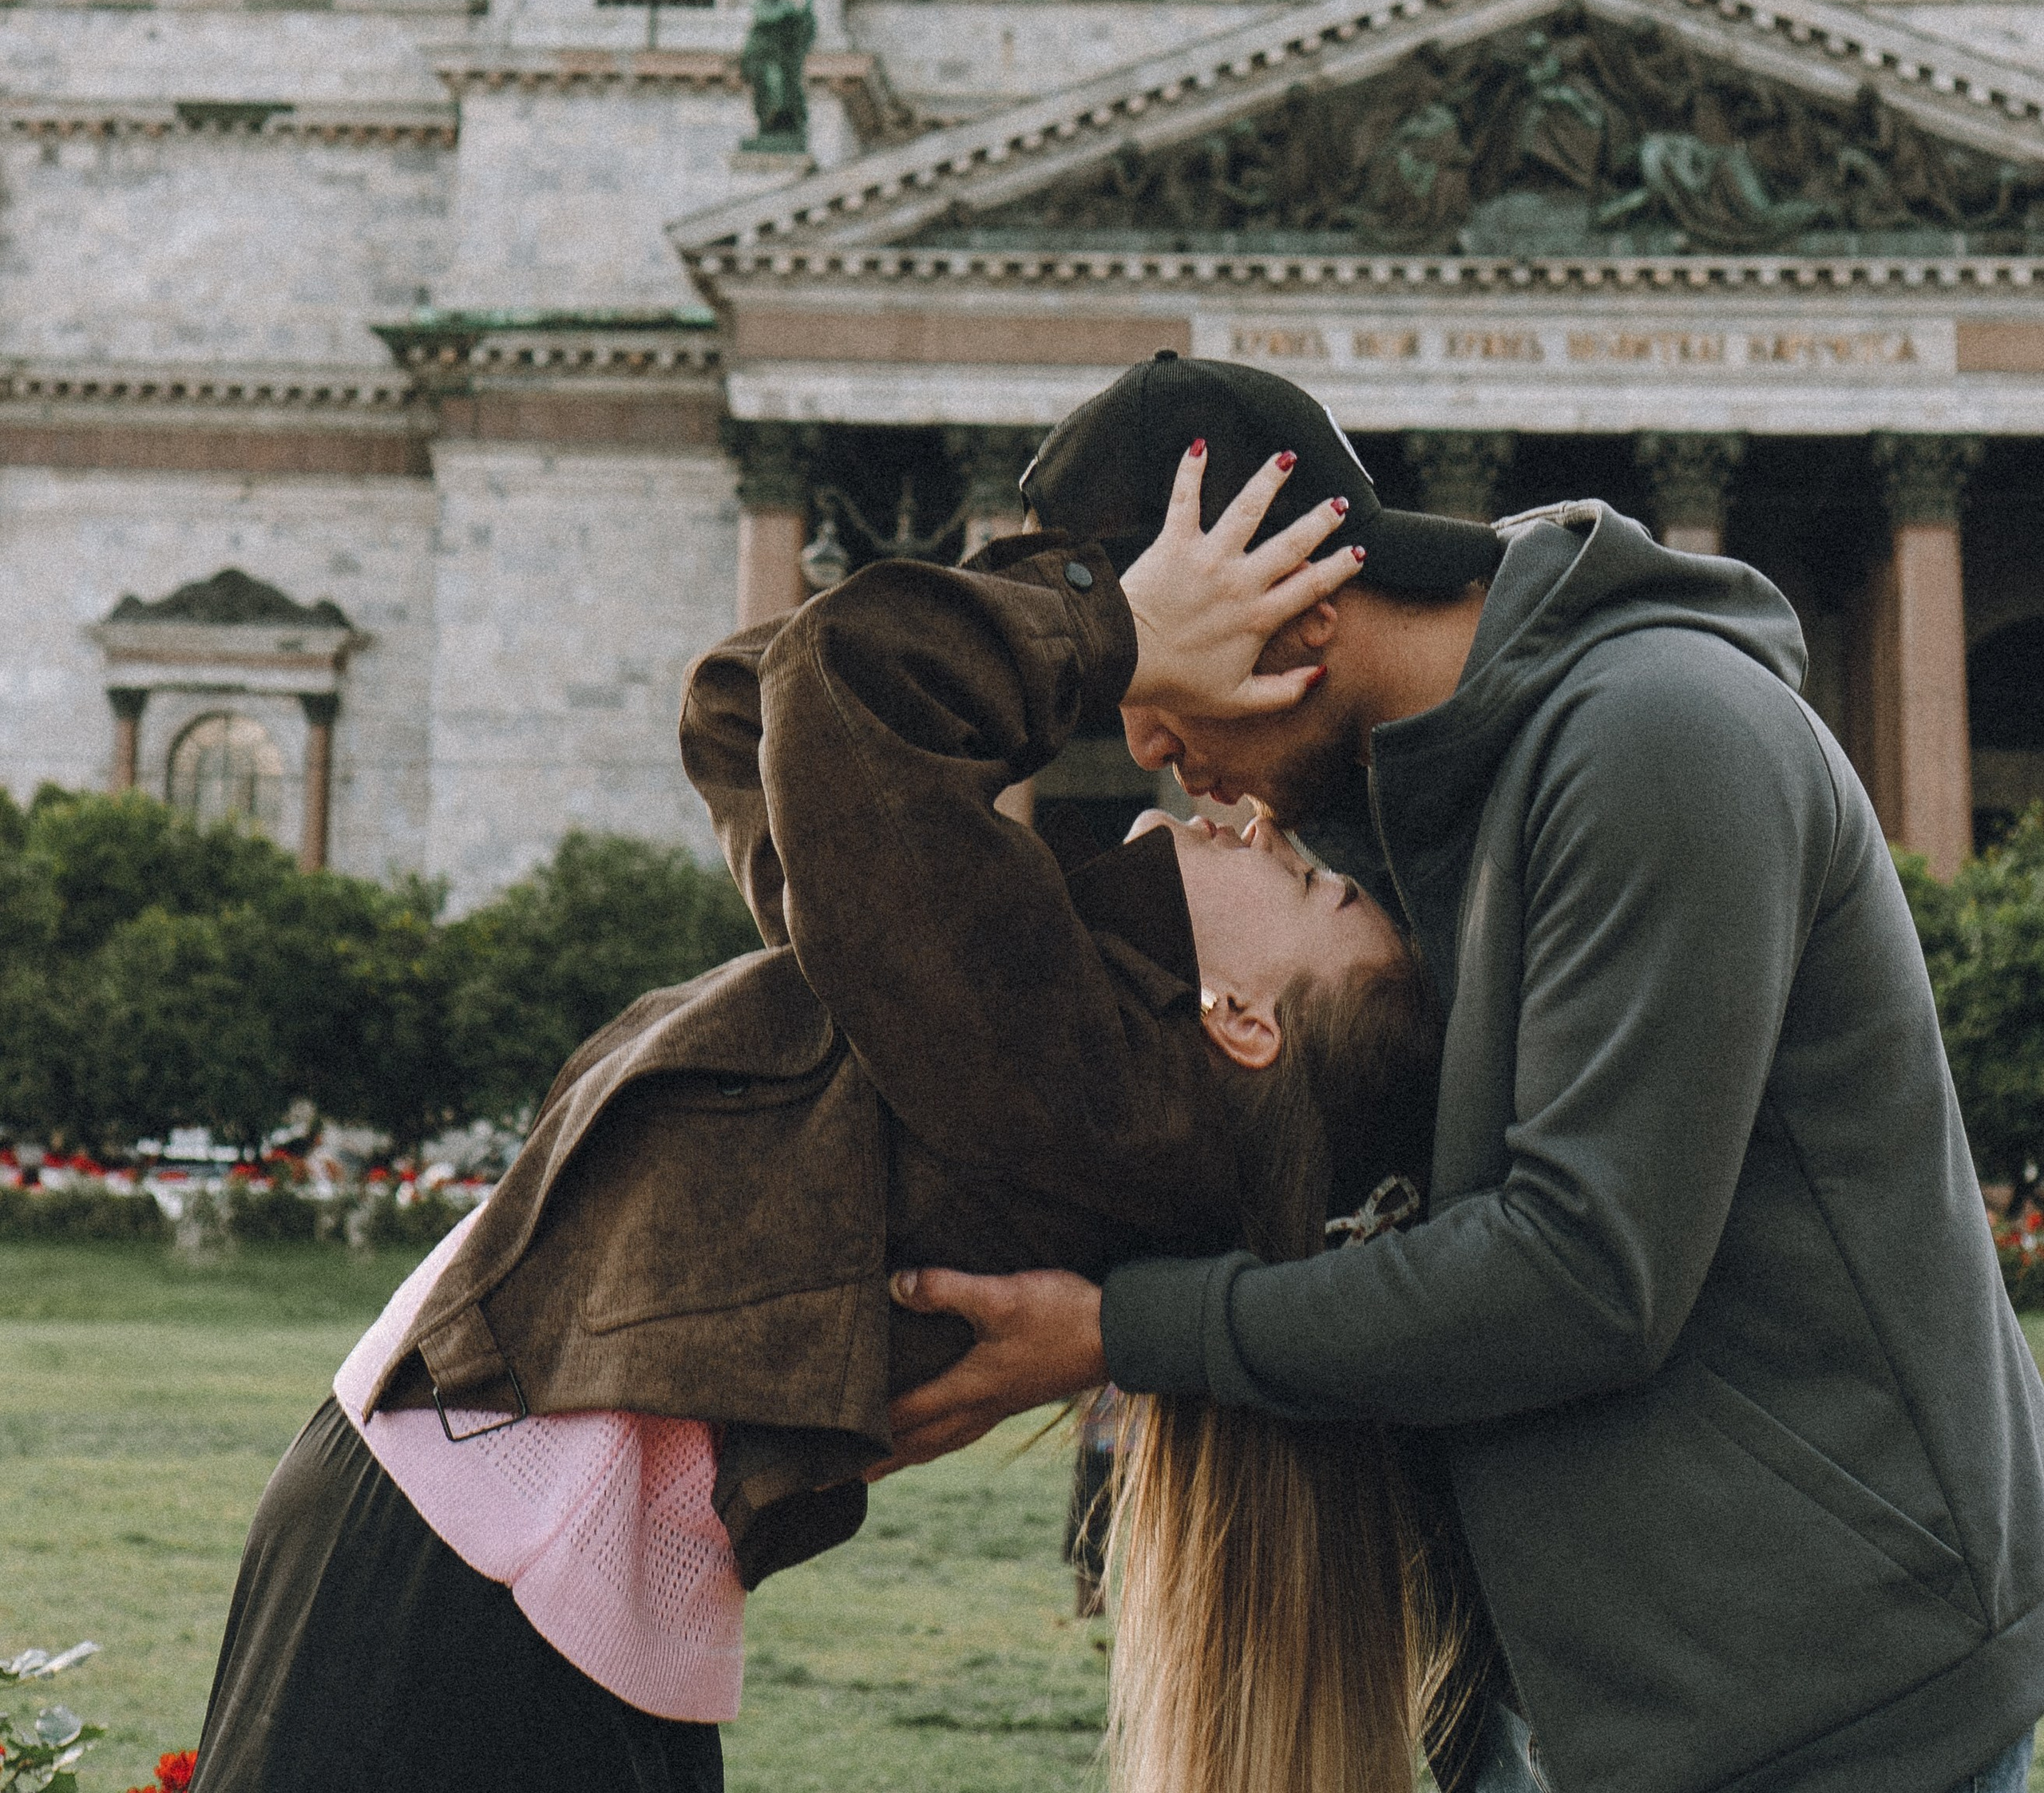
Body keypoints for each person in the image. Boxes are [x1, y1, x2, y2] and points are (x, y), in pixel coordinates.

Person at [187, 454, 1447, 1793]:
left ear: (1244, 1023)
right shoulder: (993, 1015)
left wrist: (1119, 628)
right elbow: (752, 708)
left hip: (469, 1561)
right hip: (500, 1550)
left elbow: (839, 694)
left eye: (1309, 884)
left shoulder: (1083, 1081)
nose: (1256, 825)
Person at [884, 352, 2044, 1793]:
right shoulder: (1406, 818)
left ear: (1299, 608)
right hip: (1592, 1696)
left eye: (1153, 683)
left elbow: (1585, 1275)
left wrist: (1127, 1332)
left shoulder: (1656, 735)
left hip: (1818, 1700)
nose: (1146, 753)